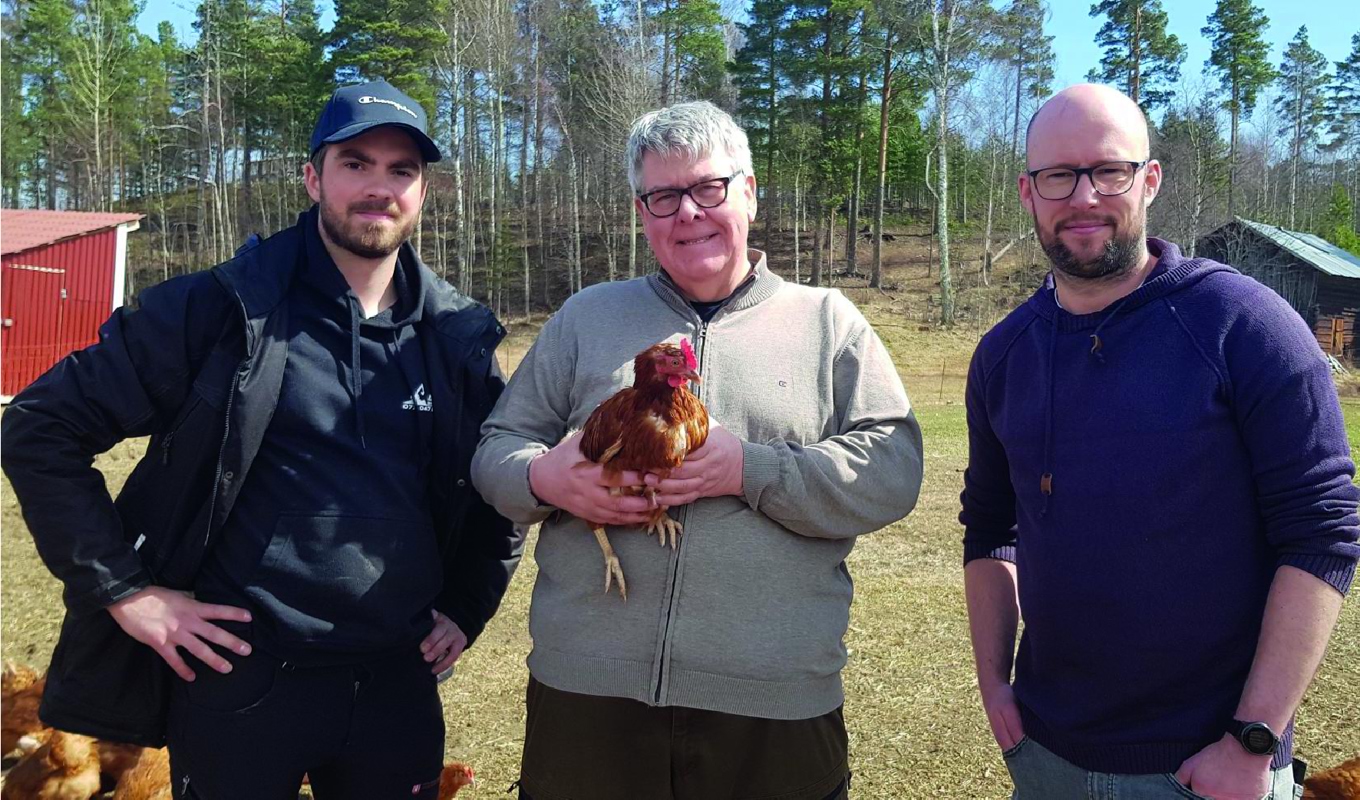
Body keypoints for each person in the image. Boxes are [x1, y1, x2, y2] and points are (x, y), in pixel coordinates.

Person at [1, 79, 521, 799]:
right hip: (241, 678)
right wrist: (127, 591)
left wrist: (467, 607)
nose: (379, 187)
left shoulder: (458, 338)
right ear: (313, 177)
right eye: (355, 163)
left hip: (396, 685)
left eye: (401, 169)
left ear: (424, 190)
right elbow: (39, 428)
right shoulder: (218, 311)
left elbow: (499, 483)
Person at [471, 100, 924, 800]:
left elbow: (893, 473)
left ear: (747, 192)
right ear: (641, 211)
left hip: (772, 703)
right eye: (664, 196)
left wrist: (753, 469)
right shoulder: (587, 318)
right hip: (589, 693)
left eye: (708, 188)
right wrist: (543, 479)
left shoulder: (828, 322)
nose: (688, 212)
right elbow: (496, 448)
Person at [960, 83, 1360, 800]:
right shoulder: (1003, 354)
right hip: (1047, 757)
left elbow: (1322, 533)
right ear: (1027, 192)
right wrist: (995, 686)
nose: (1082, 196)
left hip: (1208, 767)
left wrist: (1253, 739)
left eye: (1108, 170)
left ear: (1149, 180)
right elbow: (990, 529)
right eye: (1058, 175)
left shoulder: (1242, 325)